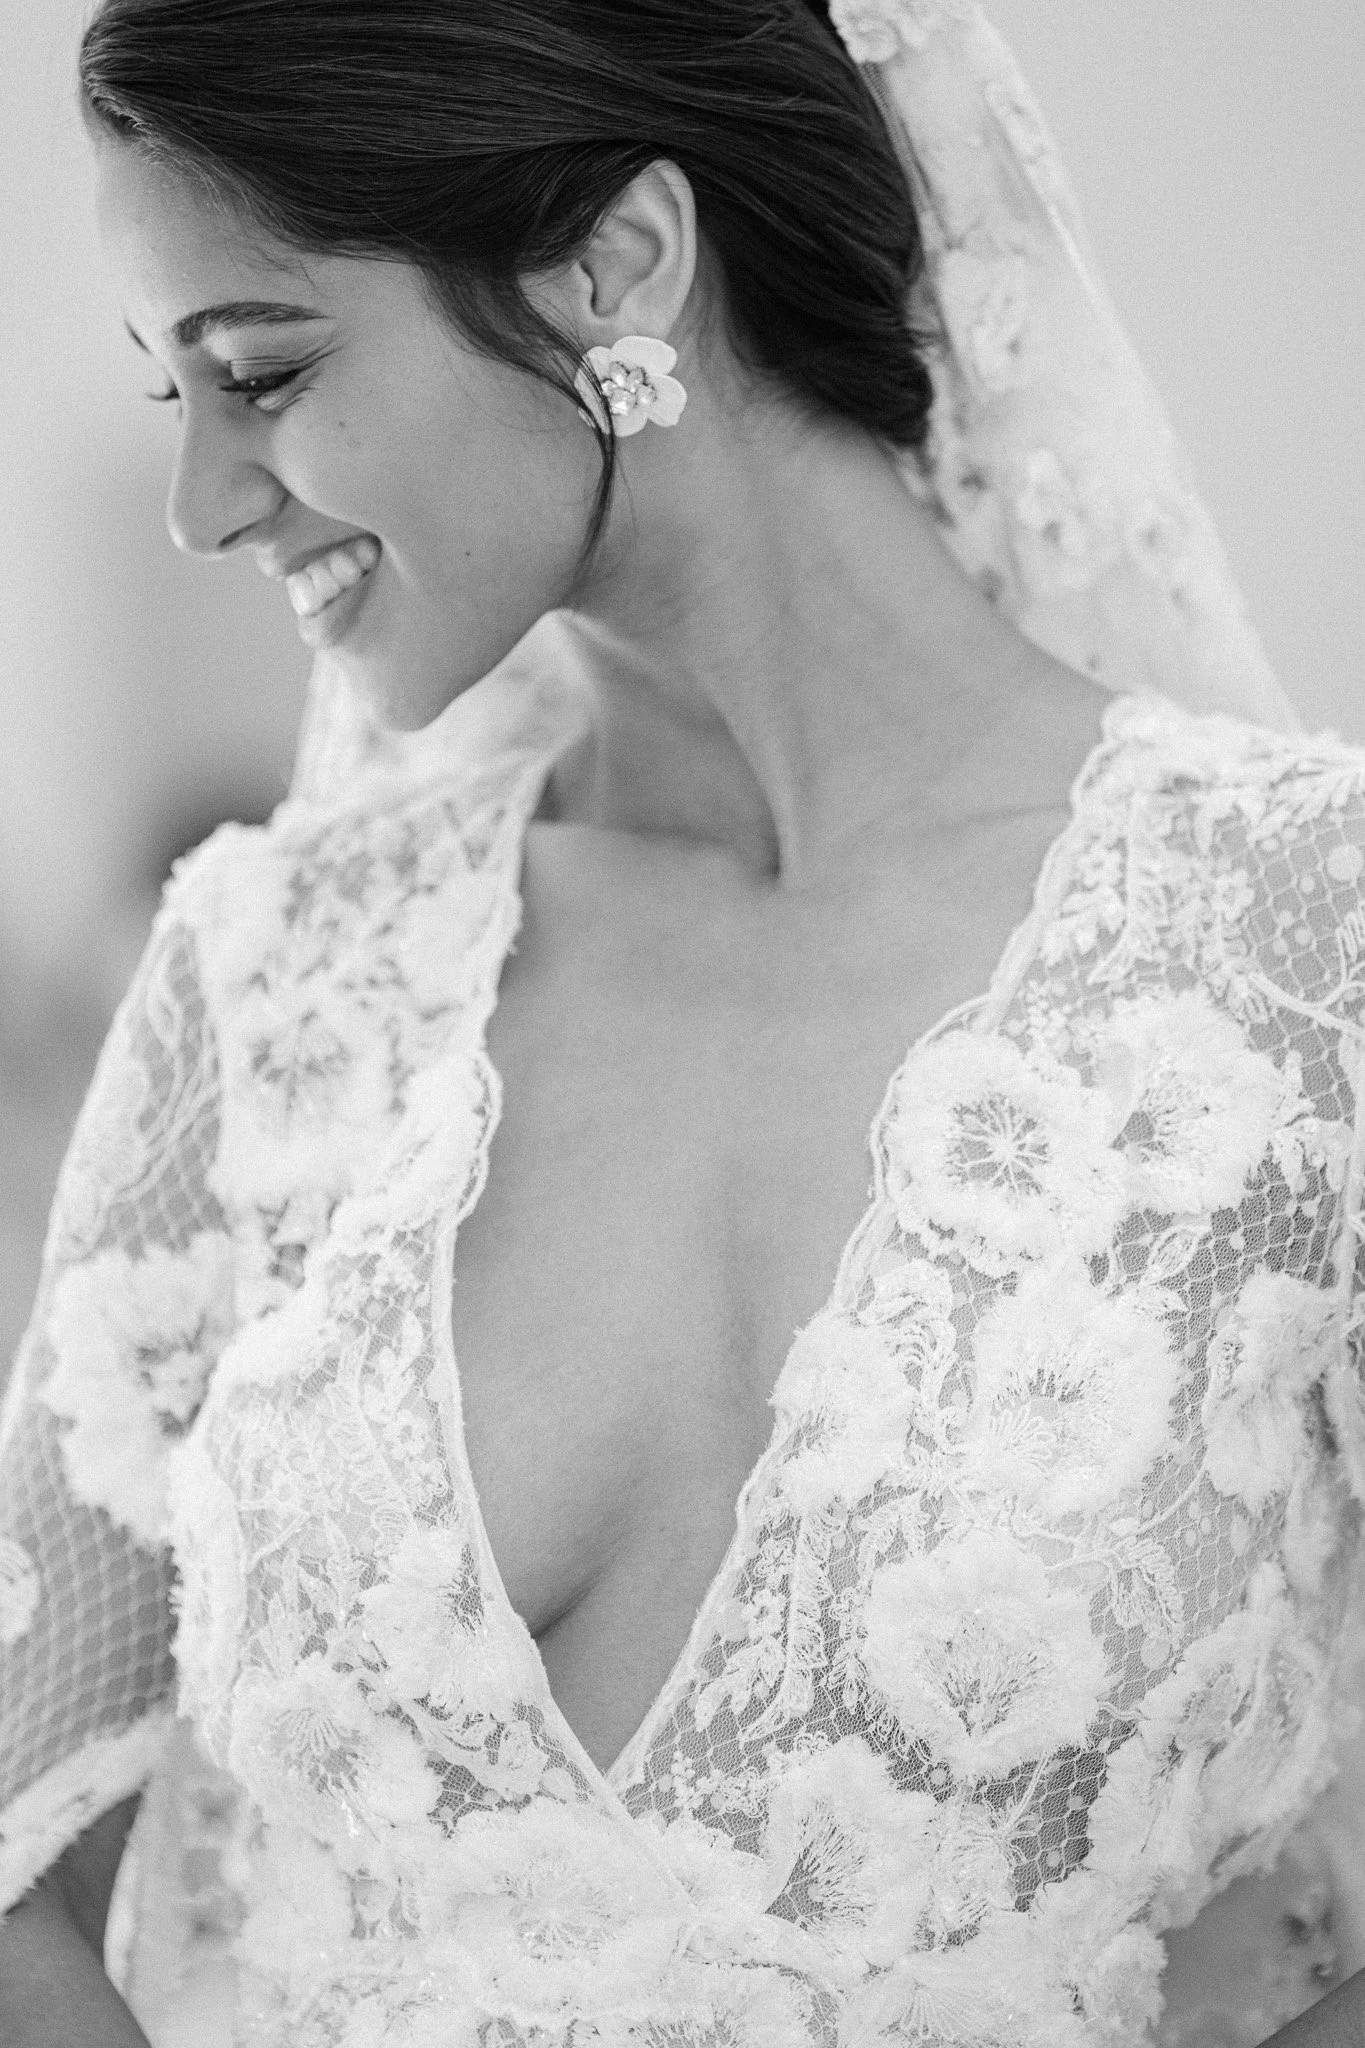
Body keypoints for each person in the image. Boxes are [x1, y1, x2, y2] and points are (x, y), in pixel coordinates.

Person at [1, 2, 1363, 2043]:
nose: (205, 500)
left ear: (618, 265)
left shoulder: (1301, 949)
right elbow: (22, 1892)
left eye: (262, 374)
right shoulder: (275, 980)